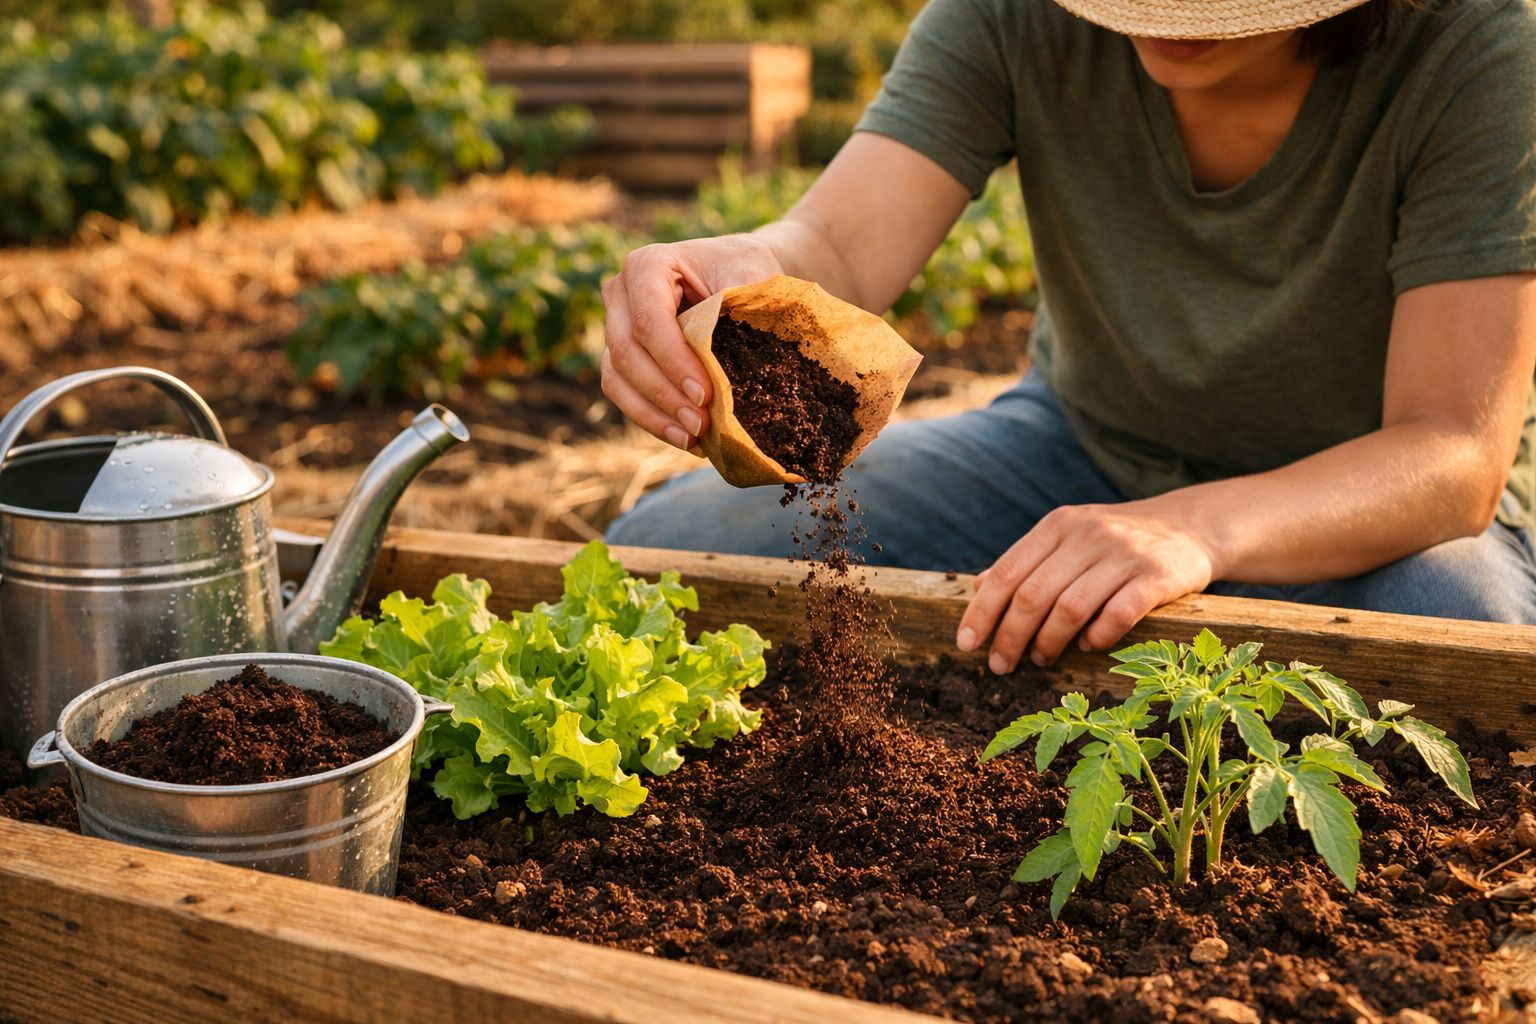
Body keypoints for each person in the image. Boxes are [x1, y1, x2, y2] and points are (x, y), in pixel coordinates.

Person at [599, 0, 1536, 674]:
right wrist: (739, 271)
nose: (1167, 19)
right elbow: (837, 242)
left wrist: (1190, 528)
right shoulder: (1020, 16)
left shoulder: (1478, 45)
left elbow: (1451, 450)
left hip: (1359, 510)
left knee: (1463, 628)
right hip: (1075, 454)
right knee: (670, 550)